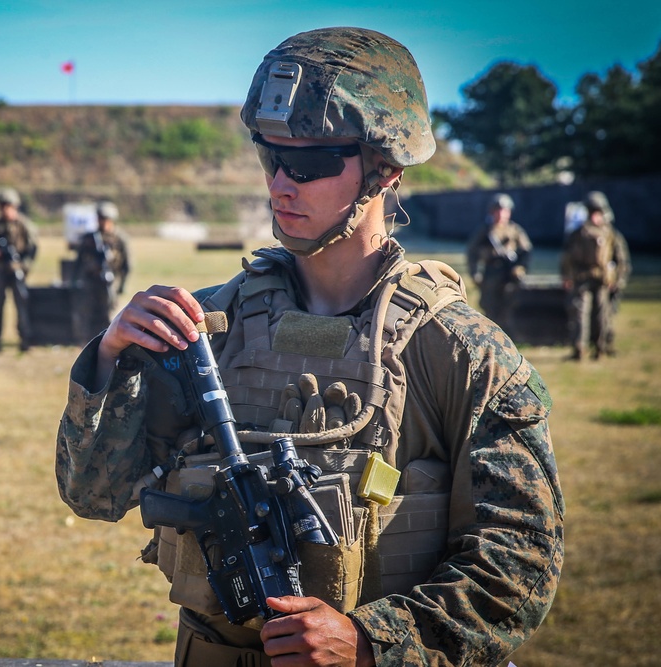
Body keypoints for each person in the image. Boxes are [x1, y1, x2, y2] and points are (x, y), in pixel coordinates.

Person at [56, 27, 563, 667]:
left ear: (386, 169)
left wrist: (372, 642)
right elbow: (93, 496)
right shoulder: (206, 325)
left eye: (311, 163)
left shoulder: (463, 353)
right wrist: (109, 360)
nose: (279, 185)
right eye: (271, 156)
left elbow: (521, 561)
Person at [560, 190, 631, 360]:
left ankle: (601, 347)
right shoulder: (577, 234)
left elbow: (621, 259)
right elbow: (567, 257)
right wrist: (567, 276)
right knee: (579, 314)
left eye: (597, 212)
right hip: (581, 278)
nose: (594, 217)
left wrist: (618, 280)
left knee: (602, 315)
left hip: (602, 280)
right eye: (591, 212)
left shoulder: (610, 233)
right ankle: (579, 349)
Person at [465, 193, 532, 333]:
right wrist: (475, 273)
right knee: (489, 308)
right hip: (491, 274)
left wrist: (520, 268)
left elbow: (526, 251)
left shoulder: (515, 230)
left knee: (508, 307)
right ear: (492, 212)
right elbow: (472, 252)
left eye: (504, 211)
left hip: (509, 275)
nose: (501, 214)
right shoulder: (485, 231)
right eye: (498, 210)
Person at [0, 188, 38, 352]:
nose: (6, 209)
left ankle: (25, 341)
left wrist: (24, 266)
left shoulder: (24, 225)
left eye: (9, 206)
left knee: (21, 306)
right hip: (0, 271)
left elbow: (32, 249)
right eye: (3, 206)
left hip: (17, 272)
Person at [72, 201, 131, 339]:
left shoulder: (120, 239)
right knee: (85, 312)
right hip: (91, 280)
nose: (102, 222)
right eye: (100, 218)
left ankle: (111, 340)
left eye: (105, 219)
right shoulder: (89, 238)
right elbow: (79, 261)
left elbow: (127, 265)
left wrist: (122, 286)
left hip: (111, 280)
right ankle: (84, 340)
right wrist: (75, 280)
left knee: (110, 313)